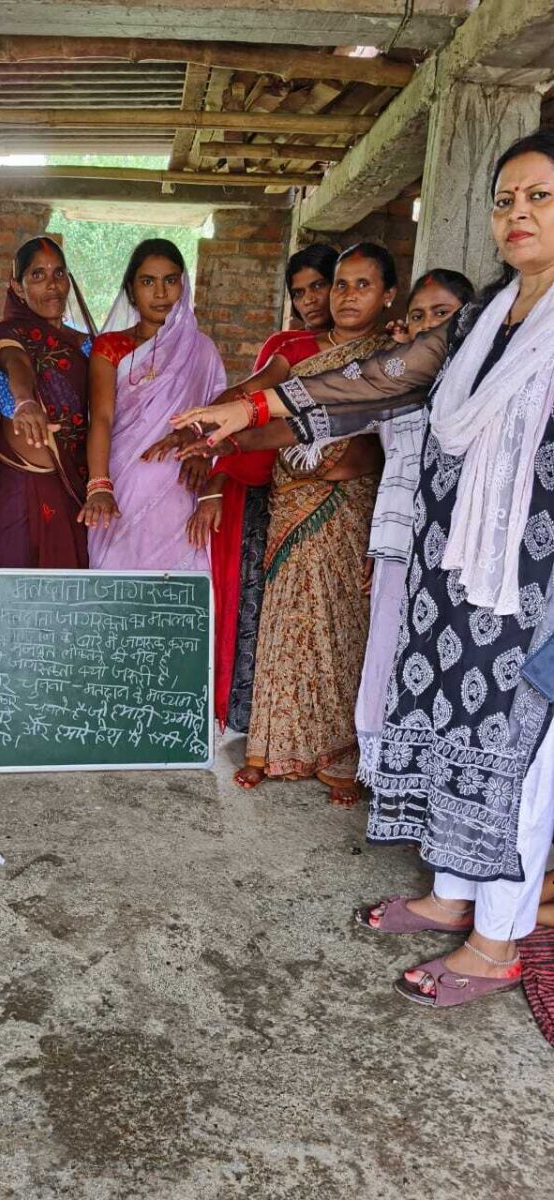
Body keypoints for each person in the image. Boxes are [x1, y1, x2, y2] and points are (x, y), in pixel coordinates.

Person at [172, 129, 554, 1011]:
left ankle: (496, 943)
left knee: (520, 759)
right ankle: (451, 895)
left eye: (539, 196)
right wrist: (254, 410)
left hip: (532, 588)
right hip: (455, 574)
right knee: (455, 732)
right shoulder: (482, 322)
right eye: (505, 199)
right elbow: (383, 378)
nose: (517, 214)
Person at [199, 244, 394, 805]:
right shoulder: (297, 354)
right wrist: (211, 429)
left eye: (362, 285)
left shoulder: (392, 355)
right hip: (291, 497)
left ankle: (338, 754)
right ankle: (269, 746)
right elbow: (259, 398)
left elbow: (385, 437)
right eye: (341, 284)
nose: (346, 296)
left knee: (340, 625)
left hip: (350, 503)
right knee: (283, 620)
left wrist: (351, 462)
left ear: (388, 295)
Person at [187, 243, 339, 730]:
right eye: (300, 292)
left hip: (340, 501)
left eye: (319, 286)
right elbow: (248, 401)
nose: (310, 300)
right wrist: (207, 445)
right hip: (269, 493)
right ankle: (254, 717)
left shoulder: (375, 351)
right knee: (261, 608)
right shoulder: (287, 348)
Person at [355, 269, 475, 750]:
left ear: (470, 319)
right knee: (386, 649)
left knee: (441, 655)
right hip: (397, 538)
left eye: (441, 314)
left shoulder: (481, 384)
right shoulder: (399, 382)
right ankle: (381, 762)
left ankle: (425, 761)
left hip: (454, 544)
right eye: (418, 316)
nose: (428, 326)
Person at [80, 239, 225, 571]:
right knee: (116, 579)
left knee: (177, 585)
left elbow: (219, 414)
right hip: (123, 486)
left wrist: (203, 450)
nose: (161, 293)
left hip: (182, 487)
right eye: (148, 281)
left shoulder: (202, 349)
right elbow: (101, 418)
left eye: (170, 280)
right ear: (131, 291)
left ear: (183, 286)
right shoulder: (111, 346)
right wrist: (99, 486)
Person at [0, 236, 93, 569]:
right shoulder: (8, 334)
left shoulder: (87, 346)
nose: (52, 285)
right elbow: (17, 364)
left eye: (59, 273)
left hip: (74, 485)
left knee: (68, 585)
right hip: (18, 485)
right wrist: (25, 402)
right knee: (13, 582)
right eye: (38, 275)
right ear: (18, 286)